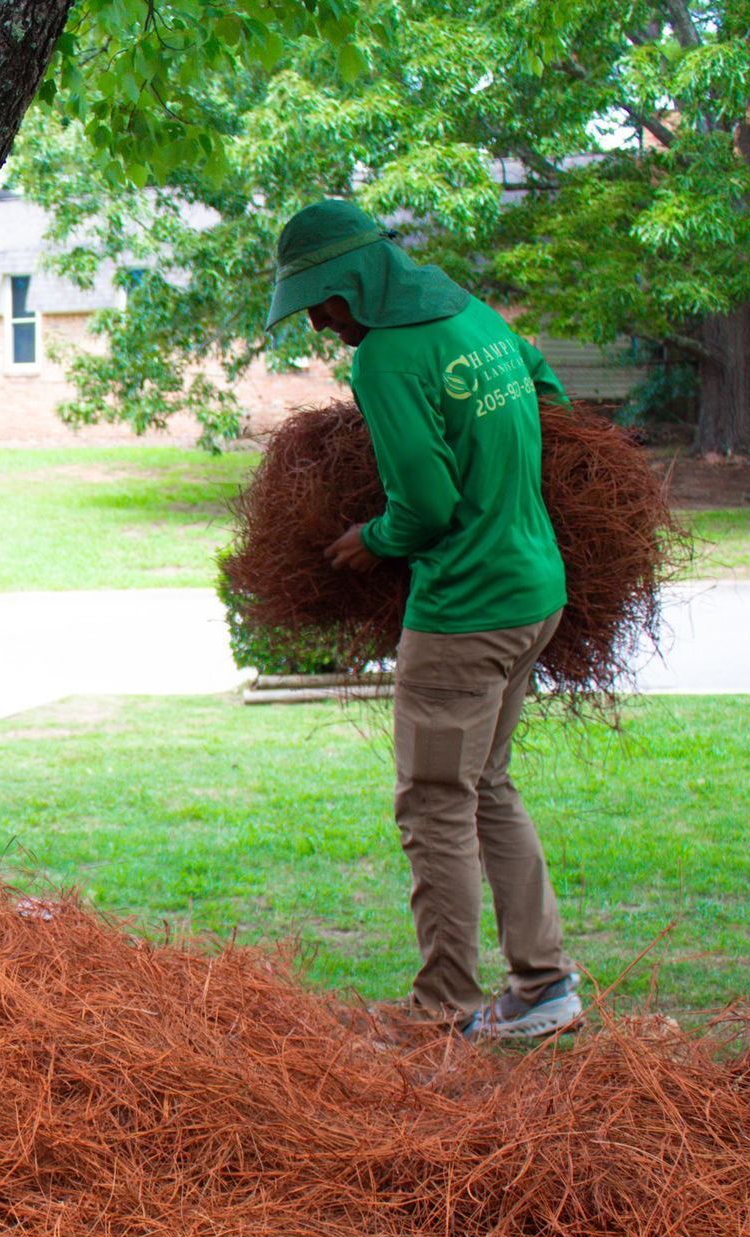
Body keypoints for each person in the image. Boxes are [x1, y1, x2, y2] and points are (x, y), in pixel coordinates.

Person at [265, 199, 581, 1039]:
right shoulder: (473, 317)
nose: (324, 324)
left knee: (434, 802)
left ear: (353, 283)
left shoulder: (389, 358)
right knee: (487, 788)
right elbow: (548, 392)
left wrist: (372, 539)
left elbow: (427, 505)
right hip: (533, 589)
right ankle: (546, 984)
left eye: (323, 302)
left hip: (464, 614)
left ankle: (445, 1008)